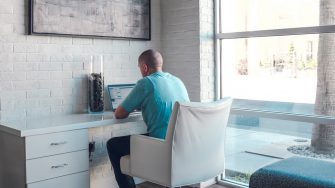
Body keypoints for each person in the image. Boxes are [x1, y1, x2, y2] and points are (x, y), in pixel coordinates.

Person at [106, 49, 190, 188]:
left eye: (140, 68)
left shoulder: (146, 82)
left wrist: (134, 104)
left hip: (161, 146)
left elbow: (119, 114)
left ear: (145, 67)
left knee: (112, 145)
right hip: (182, 143)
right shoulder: (177, 81)